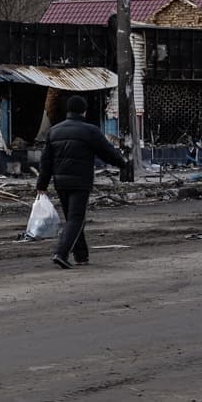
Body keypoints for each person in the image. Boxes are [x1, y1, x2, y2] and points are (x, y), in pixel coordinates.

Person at [35, 94, 127, 270]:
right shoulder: (90, 130)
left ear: (68, 111)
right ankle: (61, 253)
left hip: (60, 182)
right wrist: (122, 163)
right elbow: (107, 152)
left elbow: (45, 161)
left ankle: (81, 256)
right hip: (80, 182)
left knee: (72, 218)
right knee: (76, 219)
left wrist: (42, 185)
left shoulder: (54, 131)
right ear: (84, 111)